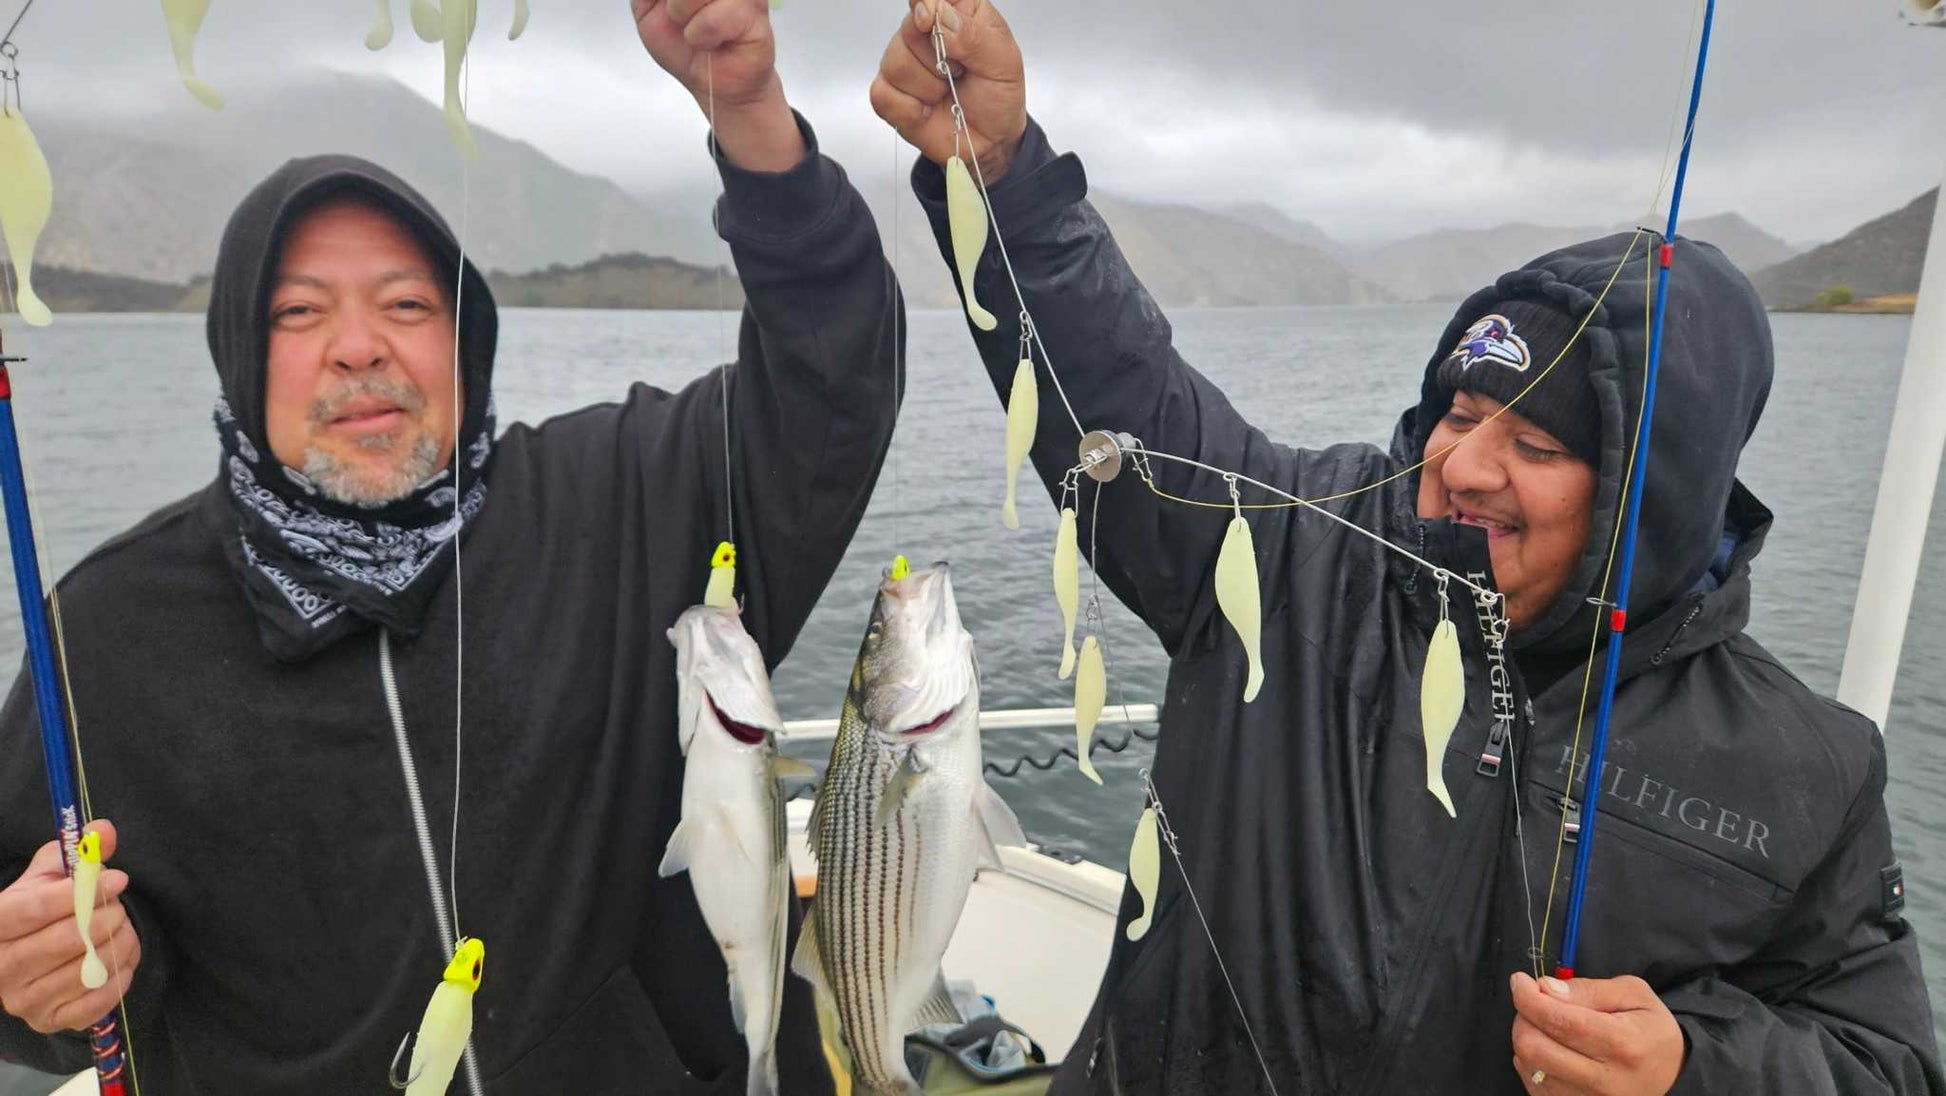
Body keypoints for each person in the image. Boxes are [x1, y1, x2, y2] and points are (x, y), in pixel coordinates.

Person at [870, 1, 1944, 1093]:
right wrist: (1000, 172)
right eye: (1458, 410)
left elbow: (1885, 1061)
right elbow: (1120, 396)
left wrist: (1691, 1068)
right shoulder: (1292, 551)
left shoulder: (1807, 770)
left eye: (1531, 440)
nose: (1466, 465)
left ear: (1647, 499)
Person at [0, 1, 896, 1091]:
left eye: (407, 302)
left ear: (465, 336)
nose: (359, 346)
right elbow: (44, 961)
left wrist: (751, 119)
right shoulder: (108, 632)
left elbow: (832, 381)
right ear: (239, 348)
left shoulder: (617, 498)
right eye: (298, 313)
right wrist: (53, 984)